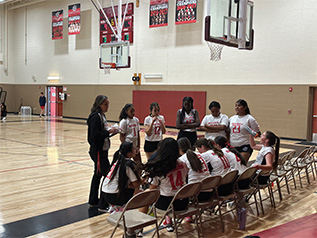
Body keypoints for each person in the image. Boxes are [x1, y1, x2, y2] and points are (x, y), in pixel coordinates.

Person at [144, 138, 188, 232]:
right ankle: (168, 220)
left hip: (166, 205)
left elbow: (152, 191)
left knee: (147, 193)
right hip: (183, 203)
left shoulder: (159, 168)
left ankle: (139, 228)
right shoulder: (183, 164)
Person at [87, 95, 119, 210]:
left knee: (98, 175)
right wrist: (108, 132)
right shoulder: (95, 117)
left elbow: (103, 133)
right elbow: (94, 136)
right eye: (106, 104)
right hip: (99, 151)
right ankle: (102, 203)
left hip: (103, 150)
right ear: (99, 104)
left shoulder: (102, 116)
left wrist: (111, 132)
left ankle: (94, 200)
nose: (107, 107)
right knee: (107, 176)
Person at [100, 142, 142, 210]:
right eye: (133, 149)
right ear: (129, 153)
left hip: (105, 193)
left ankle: (116, 208)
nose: (135, 150)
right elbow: (136, 184)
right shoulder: (128, 164)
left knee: (130, 186)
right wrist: (145, 177)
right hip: (115, 195)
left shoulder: (118, 161)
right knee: (140, 192)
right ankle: (126, 209)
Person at [178, 137, 212, 208]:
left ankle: (187, 216)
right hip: (209, 192)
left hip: (196, 194)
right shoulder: (198, 155)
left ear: (179, 148)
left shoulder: (182, 159)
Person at [229, 99, 261, 164]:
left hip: (245, 145)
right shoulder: (232, 118)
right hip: (233, 146)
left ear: (245, 107)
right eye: (236, 106)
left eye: (239, 106)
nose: (237, 107)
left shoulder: (250, 119)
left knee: (241, 164)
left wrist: (252, 133)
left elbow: (258, 134)